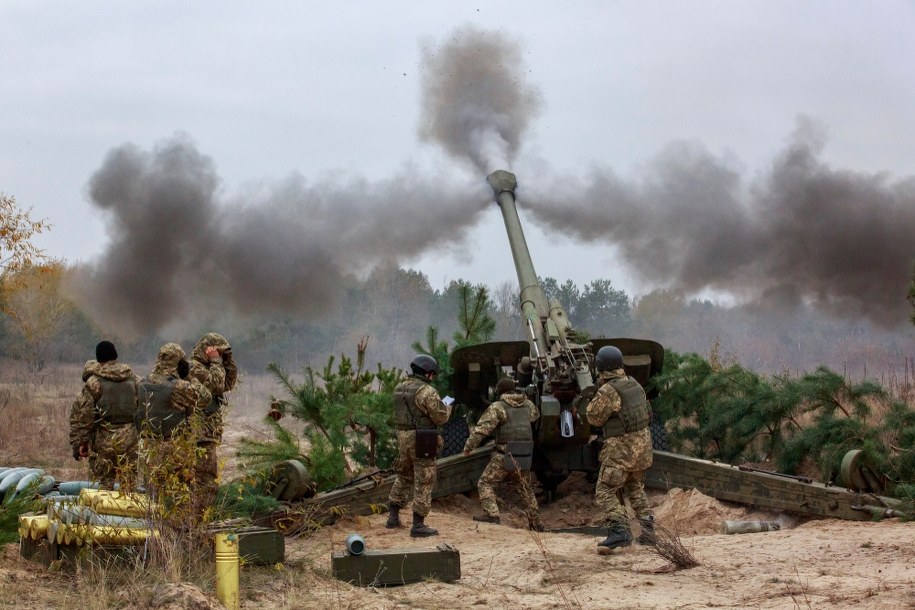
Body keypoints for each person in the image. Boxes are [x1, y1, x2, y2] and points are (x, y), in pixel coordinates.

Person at [586, 345, 656, 549]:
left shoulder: (608, 391)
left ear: (600, 366)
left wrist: (591, 396)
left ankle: (620, 530)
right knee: (634, 487)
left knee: (605, 490)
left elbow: (594, 418)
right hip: (642, 449)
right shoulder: (634, 384)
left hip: (621, 451)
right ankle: (648, 531)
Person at [136, 343, 212, 520]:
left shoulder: (141, 383)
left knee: (152, 491)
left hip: (148, 447)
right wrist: (189, 376)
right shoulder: (179, 386)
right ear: (178, 362)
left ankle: (153, 531)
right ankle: (176, 532)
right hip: (175, 447)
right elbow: (205, 398)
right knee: (178, 492)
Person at [462, 377, 544, 531]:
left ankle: (492, 514)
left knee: (485, 483)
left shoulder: (498, 407)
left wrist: (468, 448)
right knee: (525, 488)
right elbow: (535, 416)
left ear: (499, 391)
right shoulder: (528, 404)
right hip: (524, 454)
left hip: (504, 454)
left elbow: (481, 430)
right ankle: (536, 523)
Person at [386, 354, 452, 537]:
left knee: (404, 475)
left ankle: (393, 517)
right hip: (421, 439)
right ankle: (418, 525)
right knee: (424, 479)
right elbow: (441, 416)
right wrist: (448, 403)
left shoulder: (399, 388)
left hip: (402, 438)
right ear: (428, 373)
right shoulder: (426, 391)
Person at [68, 340, 140, 489]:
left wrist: (80, 443)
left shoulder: (94, 383)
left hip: (104, 443)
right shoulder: (135, 380)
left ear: (99, 359)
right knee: (130, 489)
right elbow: (145, 408)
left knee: (103, 489)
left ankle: (102, 512)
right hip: (131, 442)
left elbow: (83, 415)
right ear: (115, 356)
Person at [188, 332, 237, 516]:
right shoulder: (194, 367)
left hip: (207, 431)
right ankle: (202, 517)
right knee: (205, 479)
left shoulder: (210, 367)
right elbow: (216, 384)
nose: (219, 357)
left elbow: (228, 383)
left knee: (205, 478)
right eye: (218, 352)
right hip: (199, 431)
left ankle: (202, 515)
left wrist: (227, 360)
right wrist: (216, 362)